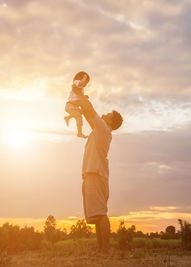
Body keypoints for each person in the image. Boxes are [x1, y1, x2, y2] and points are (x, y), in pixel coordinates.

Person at [78, 91, 123, 253]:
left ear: (111, 121)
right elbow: (88, 113)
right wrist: (81, 101)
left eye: (108, 114)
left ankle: (105, 250)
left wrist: (79, 94)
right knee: (96, 216)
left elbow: (90, 111)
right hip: (92, 173)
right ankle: (101, 250)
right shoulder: (100, 130)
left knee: (101, 214)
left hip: (96, 173)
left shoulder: (104, 129)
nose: (104, 114)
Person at [64, 71, 90, 138]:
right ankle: (79, 133)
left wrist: (84, 97)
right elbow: (80, 83)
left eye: (87, 83)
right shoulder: (76, 82)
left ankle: (67, 117)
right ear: (80, 78)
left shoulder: (81, 88)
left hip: (74, 106)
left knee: (81, 113)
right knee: (79, 117)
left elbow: (80, 96)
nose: (86, 84)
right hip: (70, 105)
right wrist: (84, 78)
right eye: (86, 82)